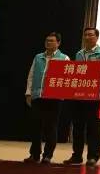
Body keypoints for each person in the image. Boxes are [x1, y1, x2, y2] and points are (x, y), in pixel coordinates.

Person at [63, 27, 100, 167]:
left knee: (92, 127)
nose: (88, 37)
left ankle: (93, 156)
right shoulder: (79, 54)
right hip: (78, 94)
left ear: (97, 37)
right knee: (77, 126)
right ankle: (77, 156)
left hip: (94, 95)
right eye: (86, 35)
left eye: (91, 35)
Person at [24, 32, 70, 164]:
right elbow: (31, 75)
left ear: (58, 43)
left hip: (54, 98)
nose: (48, 43)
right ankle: (34, 154)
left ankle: (48, 155)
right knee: (36, 126)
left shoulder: (64, 58)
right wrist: (28, 93)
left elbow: (67, 78)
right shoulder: (38, 57)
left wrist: (62, 95)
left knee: (51, 126)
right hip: (37, 96)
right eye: (47, 40)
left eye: (51, 41)